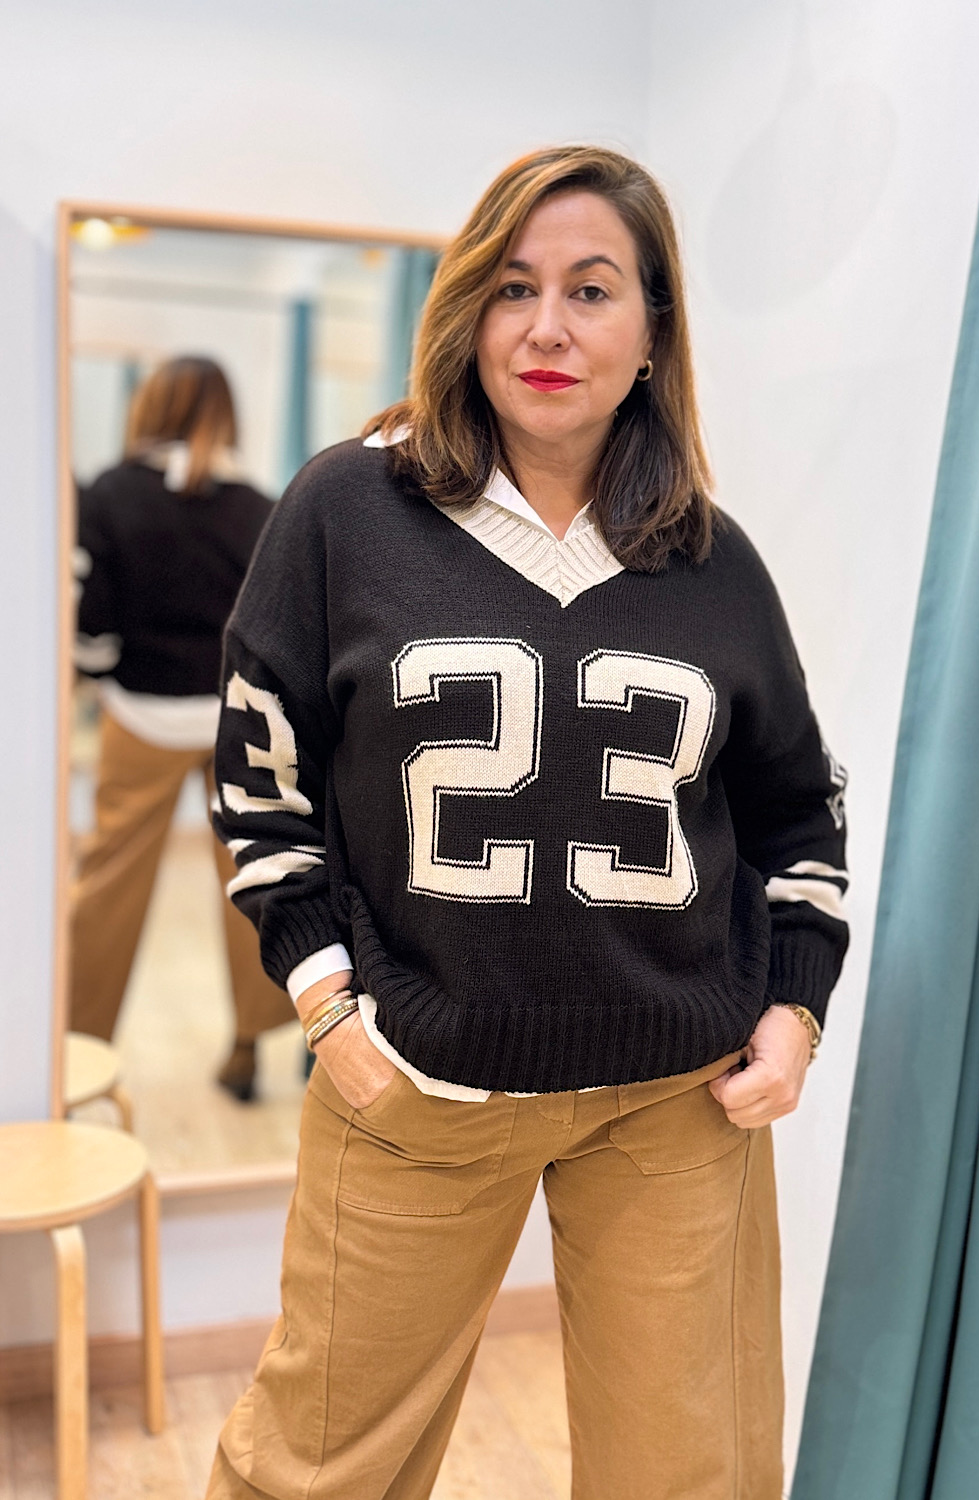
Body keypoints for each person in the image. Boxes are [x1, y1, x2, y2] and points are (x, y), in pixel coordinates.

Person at [205, 146, 848, 1500]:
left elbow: (798, 812)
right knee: (309, 1472)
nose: (547, 327)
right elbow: (261, 780)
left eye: (591, 290)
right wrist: (326, 1006)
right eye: (513, 287)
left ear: (652, 330)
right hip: (417, 1083)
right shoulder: (345, 510)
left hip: (677, 1102)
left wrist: (794, 1010)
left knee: (692, 1477)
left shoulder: (714, 560)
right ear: (465, 312)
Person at [71, 355, 295, 1100]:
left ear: (150, 408)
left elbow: (92, 620)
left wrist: (96, 671)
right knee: (252, 875)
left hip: (141, 714)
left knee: (107, 885)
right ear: (227, 416)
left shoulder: (109, 493)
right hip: (235, 717)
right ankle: (249, 1045)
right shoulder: (259, 507)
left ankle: (76, 1049)